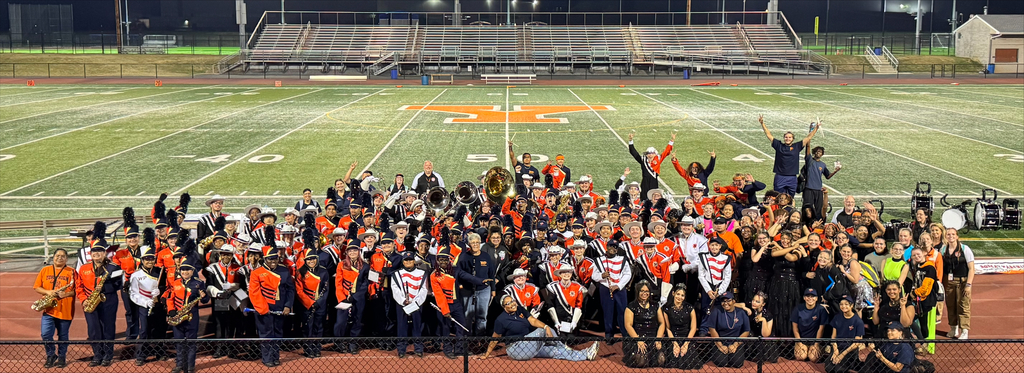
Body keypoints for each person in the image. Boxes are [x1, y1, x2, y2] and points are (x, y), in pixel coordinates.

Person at [479, 295, 599, 361]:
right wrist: (486, 355)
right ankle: (566, 347)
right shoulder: (501, 319)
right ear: (504, 307)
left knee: (554, 350)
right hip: (516, 350)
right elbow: (495, 338)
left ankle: (585, 355)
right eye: (509, 303)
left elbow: (532, 320)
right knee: (543, 330)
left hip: (529, 344)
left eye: (513, 301)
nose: (513, 304)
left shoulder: (520, 309)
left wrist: (546, 326)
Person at [77, 223, 123, 367]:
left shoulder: (113, 267)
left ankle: (108, 355)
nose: (97, 254)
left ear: (105, 253)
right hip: (90, 301)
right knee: (94, 329)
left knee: (108, 328)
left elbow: (119, 286)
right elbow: (79, 286)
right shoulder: (84, 268)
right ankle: (97, 354)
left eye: (100, 252)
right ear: (90, 254)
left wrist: (108, 281)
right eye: (94, 252)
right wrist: (84, 300)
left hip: (108, 300)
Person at [432, 246, 486, 359]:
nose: (443, 262)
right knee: (445, 328)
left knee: (461, 326)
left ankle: (460, 349)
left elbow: (467, 276)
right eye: (441, 260)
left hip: (456, 304)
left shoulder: (455, 271)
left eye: (445, 260)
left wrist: (481, 281)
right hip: (444, 305)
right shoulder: (434, 275)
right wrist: (445, 310)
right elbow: (439, 295)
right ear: (437, 261)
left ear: (449, 260)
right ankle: (447, 349)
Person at [249, 244, 295, 368]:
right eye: (270, 259)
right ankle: (267, 358)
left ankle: (275, 356)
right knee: (266, 334)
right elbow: (254, 292)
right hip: (264, 310)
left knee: (278, 333)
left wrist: (287, 306)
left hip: (280, 309)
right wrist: (264, 309)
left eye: (275, 258)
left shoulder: (284, 270)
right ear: (265, 259)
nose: (273, 261)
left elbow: (290, 290)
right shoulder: (256, 273)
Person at [164, 258, 209, 373]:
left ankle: (190, 366)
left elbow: (205, 300)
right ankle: (179, 364)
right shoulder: (175, 282)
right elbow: (170, 299)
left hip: (192, 317)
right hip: (177, 316)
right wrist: (171, 311)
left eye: (187, 270)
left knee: (191, 342)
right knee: (178, 342)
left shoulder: (199, 283)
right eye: (183, 270)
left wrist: (204, 296)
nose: (185, 272)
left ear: (192, 271)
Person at [35, 248, 76, 369]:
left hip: (65, 309)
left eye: (63, 256)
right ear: (53, 257)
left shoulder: (72, 272)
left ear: (67, 259)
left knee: (63, 336)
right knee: (46, 334)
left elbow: (77, 290)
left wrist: (66, 294)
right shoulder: (45, 270)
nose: (60, 258)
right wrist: (48, 292)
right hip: (49, 309)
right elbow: (37, 287)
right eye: (57, 255)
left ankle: (62, 356)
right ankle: (51, 355)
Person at [759, 115, 819, 197]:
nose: (788, 139)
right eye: (786, 137)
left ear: (793, 139)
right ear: (784, 138)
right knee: (778, 197)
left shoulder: (797, 146)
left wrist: (816, 128)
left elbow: (808, 137)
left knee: (790, 198)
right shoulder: (779, 145)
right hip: (780, 176)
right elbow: (768, 134)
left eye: (790, 137)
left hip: (792, 177)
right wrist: (762, 124)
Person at [130, 233, 165, 366]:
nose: (150, 261)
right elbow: (133, 294)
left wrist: (160, 292)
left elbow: (165, 287)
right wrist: (145, 302)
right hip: (144, 306)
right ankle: (141, 355)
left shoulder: (160, 271)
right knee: (144, 330)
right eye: (147, 259)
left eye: (151, 258)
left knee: (159, 329)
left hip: (158, 305)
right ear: (142, 260)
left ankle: (160, 352)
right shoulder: (136, 275)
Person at [204, 244, 242, 359]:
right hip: (220, 298)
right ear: (220, 255)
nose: (226, 256)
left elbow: (241, 285)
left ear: (232, 256)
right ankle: (219, 348)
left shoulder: (237, 268)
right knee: (220, 324)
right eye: (224, 254)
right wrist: (217, 292)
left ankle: (231, 348)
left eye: (228, 254)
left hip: (234, 298)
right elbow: (209, 285)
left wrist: (233, 286)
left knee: (232, 323)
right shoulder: (212, 268)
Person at [457, 232, 497, 336]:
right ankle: (467, 339)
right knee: (467, 316)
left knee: (482, 316)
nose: (475, 245)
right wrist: (461, 286)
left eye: (477, 242)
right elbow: (459, 273)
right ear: (469, 244)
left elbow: (491, 273)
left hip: (484, 290)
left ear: (480, 243)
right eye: (472, 243)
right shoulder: (464, 257)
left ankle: (480, 338)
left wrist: (493, 290)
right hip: (467, 290)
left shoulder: (486, 256)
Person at [592, 242, 632, 342]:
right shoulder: (599, 260)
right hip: (605, 287)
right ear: (607, 247)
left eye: (615, 247)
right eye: (610, 246)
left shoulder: (622, 260)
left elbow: (628, 274)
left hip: (619, 288)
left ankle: (624, 333)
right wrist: (602, 276)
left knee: (622, 311)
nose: (612, 249)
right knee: (607, 311)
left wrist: (618, 285)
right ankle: (609, 334)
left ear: (617, 249)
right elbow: (593, 275)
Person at [656, 284, 703, 370]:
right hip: (672, 338)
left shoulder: (690, 308)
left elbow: (693, 328)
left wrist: (686, 344)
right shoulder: (666, 309)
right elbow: (668, 328)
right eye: (678, 294)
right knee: (672, 359)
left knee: (686, 359)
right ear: (673, 293)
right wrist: (675, 344)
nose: (680, 297)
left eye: (682, 295)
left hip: (687, 337)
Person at [392, 251, 428, 358]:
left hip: (417, 304)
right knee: (402, 327)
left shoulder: (422, 273)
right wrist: (403, 301)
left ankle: (418, 348)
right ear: (403, 261)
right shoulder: (396, 274)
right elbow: (395, 289)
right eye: (406, 260)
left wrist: (416, 302)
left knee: (417, 327)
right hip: (402, 304)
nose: (408, 262)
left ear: (414, 261)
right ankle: (401, 349)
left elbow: (424, 289)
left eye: (410, 260)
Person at [335, 244, 369, 354]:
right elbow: (338, 283)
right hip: (343, 297)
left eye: (355, 251)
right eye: (350, 251)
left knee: (357, 321)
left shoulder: (365, 266)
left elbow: (366, 283)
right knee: (340, 322)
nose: (352, 253)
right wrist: (342, 297)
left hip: (358, 298)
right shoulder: (341, 265)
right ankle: (339, 343)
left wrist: (355, 297)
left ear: (359, 252)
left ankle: (353, 343)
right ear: (347, 253)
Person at [296, 249, 329, 358]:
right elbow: (299, 291)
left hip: (320, 305)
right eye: (309, 259)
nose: (311, 261)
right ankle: (308, 349)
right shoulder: (300, 272)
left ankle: (317, 348)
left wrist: (319, 302)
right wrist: (310, 303)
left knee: (318, 327)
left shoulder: (323, 271)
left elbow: (326, 289)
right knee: (307, 328)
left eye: (313, 258)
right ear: (305, 260)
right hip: (306, 305)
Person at [942, 228, 974, 340]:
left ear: (957, 236)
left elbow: (971, 268)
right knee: (951, 306)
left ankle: (964, 330)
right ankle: (953, 328)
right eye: (948, 234)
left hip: (963, 282)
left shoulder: (965, 249)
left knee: (963, 306)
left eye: (953, 234)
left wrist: (968, 285)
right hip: (949, 282)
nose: (950, 236)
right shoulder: (943, 250)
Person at [623, 280, 664, 368]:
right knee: (640, 362)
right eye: (642, 291)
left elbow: (662, 323)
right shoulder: (631, 306)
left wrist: (658, 339)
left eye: (646, 291)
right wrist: (639, 340)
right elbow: (628, 325)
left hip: (653, 338)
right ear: (638, 292)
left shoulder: (656, 305)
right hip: (638, 338)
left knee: (661, 360)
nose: (644, 293)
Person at [706, 292, 750, 368]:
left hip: (736, 341)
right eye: (723, 301)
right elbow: (712, 329)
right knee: (721, 362)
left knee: (737, 363)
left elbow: (746, 330)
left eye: (728, 300)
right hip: (720, 341)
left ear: (734, 301)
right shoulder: (716, 311)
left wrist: (735, 345)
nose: (726, 303)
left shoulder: (741, 312)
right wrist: (720, 345)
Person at [627, 132, 674, 198]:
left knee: (654, 198)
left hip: (654, 181)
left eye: (652, 153)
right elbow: (634, 153)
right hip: (645, 182)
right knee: (644, 198)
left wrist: (671, 141)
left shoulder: (658, 159)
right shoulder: (643, 160)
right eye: (648, 153)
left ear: (655, 154)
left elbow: (666, 152)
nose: (650, 155)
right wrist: (630, 140)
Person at [909, 247, 938, 354]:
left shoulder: (930, 268)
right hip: (919, 300)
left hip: (926, 300)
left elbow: (926, 288)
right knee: (921, 322)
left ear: (924, 254)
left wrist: (914, 293)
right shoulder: (918, 267)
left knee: (915, 321)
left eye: (918, 254)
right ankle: (922, 344)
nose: (917, 256)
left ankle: (923, 344)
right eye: (914, 255)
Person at [826, 295, 864, 373]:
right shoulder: (837, 317)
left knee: (839, 370)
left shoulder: (858, 321)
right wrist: (835, 350)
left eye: (846, 304)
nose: (843, 306)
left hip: (850, 350)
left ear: (851, 305)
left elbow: (857, 343)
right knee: (828, 368)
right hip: (838, 347)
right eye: (841, 304)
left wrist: (842, 355)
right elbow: (833, 336)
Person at [544, 263, 586, 334]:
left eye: (568, 272)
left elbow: (578, 306)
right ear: (560, 274)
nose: (566, 274)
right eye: (564, 272)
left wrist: (574, 322)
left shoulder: (577, 287)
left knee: (572, 340)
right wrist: (556, 322)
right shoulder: (553, 287)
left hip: (572, 320)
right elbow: (550, 305)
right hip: (558, 320)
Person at [737, 291, 778, 364]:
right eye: (753, 300)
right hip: (752, 335)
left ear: (763, 304)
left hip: (764, 338)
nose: (754, 303)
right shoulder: (750, 306)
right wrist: (744, 308)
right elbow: (734, 304)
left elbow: (766, 334)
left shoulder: (768, 314)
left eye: (757, 301)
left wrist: (763, 320)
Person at [803, 146, 840, 221]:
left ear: (822, 154)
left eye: (820, 152)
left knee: (819, 209)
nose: (818, 153)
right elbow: (807, 150)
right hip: (808, 189)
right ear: (814, 152)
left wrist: (835, 171)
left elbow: (828, 176)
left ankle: (818, 223)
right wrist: (808, 139)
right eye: (816, 151)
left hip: (818, 190)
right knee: (807, 208)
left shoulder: (822, 165)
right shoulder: (809, 161)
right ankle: (806, 222)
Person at [791, 288, 828, 362]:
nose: (810, 298)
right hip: (802, 339)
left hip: (814, 340)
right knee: (801, 357)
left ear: (816, 298)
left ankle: (823, 349)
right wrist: (799, 343)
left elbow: (821, 329)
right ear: (804, 298)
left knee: (813, 358)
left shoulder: (821, 310)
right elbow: (795, 328)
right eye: (808, 296)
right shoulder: (798, 309)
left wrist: (816, 344)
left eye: (813, 296)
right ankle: (803, 348)